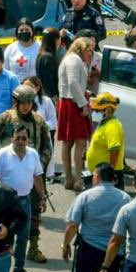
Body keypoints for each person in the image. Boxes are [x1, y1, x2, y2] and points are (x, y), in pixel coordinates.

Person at [0, 124, 47, 272]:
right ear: (12, 138)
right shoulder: (2, 155)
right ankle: (0, 270)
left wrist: (42, 197)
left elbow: (37, 177)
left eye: (24, 138)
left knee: (23, 236)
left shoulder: (33, 154)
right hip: (5, 203)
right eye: (18, 138)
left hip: (24, 201)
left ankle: (18, 268)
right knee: (4, 236)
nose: (21, 141)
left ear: (28, 140)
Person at [62, 163, 131, 272]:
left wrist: (65, 245)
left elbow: (73, 225)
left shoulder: (85, 196)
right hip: (114, 253)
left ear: (97, 177)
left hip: (89, 250)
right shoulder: (125, 198)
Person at [58, 37, 94, 192]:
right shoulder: (74, 60)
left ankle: (70, 178)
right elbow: (72, 83)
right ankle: (76, 179)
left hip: (69, 102)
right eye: (89, 50)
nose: (91, 54)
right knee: (78, 142)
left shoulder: (72, 59)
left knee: (69, 142)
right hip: (72, 103)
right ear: (81, 48)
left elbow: (73, 83)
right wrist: (83, 104)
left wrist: (85, 92)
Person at [86, 92, 125, 189]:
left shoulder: (112, 127)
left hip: (107, 176)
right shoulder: (104, 123)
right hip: (100, 175)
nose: (94, 112)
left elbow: (114, 150)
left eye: (97, 110)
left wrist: (110, 174)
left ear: (107, 110)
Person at [4, 19, 40, 83]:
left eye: (27, 30)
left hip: (34, 87)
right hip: (15, 87)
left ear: (32, 31)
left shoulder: (40, 47)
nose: (24, 32)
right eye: (21, 30)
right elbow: (5, 70)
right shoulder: (10, 48)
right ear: (17, 33)